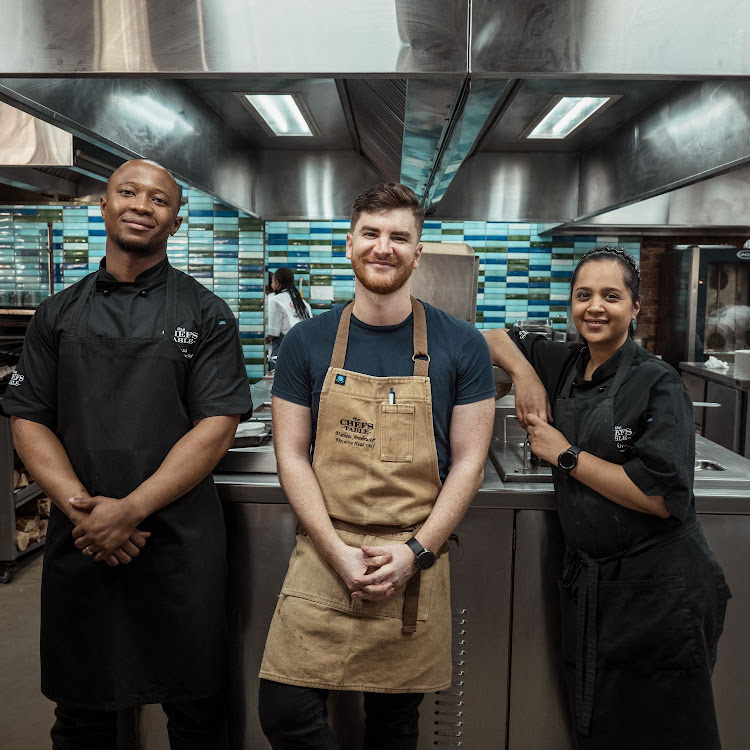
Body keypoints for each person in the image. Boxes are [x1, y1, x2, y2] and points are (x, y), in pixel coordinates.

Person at [4, 159, 252, 749]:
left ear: (175, 220)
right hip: (83, 538)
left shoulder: (207, 314)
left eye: (159, 199)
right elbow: (29, 420)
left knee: (196, 713)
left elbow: (215, 426)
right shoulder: (56, 314)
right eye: (128, 192)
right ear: (105, 205)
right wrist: (85, 511)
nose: (142, 204)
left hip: (176, 545)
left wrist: (131, 509)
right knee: (82, 712)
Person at [257, 183, 496, 749]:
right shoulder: (306, 342)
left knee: (393, 727)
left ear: (417, 252)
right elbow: (290, 455)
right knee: (284, 712)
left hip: (410, 563)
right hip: (323, 553)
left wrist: (414, 554)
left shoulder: (461, 345)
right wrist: (335, 550)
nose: (382, 247)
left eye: (398, 236)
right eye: (371, 233)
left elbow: (470, 464)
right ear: (349, 244)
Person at [483, 246, 731, 750]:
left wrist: (566, 455)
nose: (595, 307)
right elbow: (488, 336)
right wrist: (528, 376)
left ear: (635, 307)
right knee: (600, 733)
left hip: (660, 594)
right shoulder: (567, 362)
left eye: (611, 296)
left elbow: (662, 495)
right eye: (584, 295)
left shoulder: (657, 382)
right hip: (596, 592)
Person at [267, 267, 311, 370]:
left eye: (273, 281)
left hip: (283, 351)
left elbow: (273, 332)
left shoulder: (275, 301)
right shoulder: (302, 303)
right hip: (303, 351)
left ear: (277, 283)